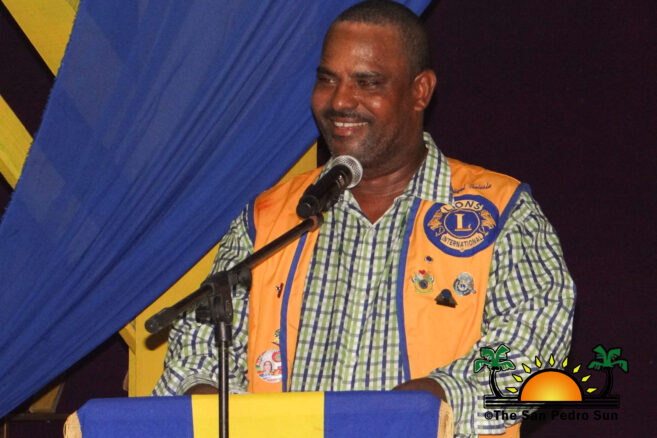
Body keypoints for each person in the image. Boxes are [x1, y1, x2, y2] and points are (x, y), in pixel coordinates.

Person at [155, 1, 575, 436]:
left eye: (367, 82)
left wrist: (429, 403)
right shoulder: (270, 217)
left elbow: (536, 347)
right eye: (327, 80)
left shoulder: (498, 213)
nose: (340, 100)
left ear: (420, 91)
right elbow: (196, 354)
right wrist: (210, 403)